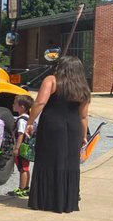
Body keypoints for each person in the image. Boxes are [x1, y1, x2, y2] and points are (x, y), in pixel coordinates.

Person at [26, 55, 90, 213]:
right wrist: (83, 135)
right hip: (74, 126)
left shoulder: (52, 80)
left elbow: (40, 102)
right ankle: (67, 201)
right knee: (70, 163)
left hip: (52, 125)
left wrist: (29, 122)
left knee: (48, 159)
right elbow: (83, 115)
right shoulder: (83, 87)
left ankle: (45, 200)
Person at [13, 94, 34, 198]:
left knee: (23, 169)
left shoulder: (21, 120)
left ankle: (22, 189)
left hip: (22, 148)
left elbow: (20, 134)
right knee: (25, 168)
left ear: (22, 107)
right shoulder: (28, 118)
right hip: (27, 147)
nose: (13, 105)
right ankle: (26, 188)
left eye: (15, 104)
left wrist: (17, 148)